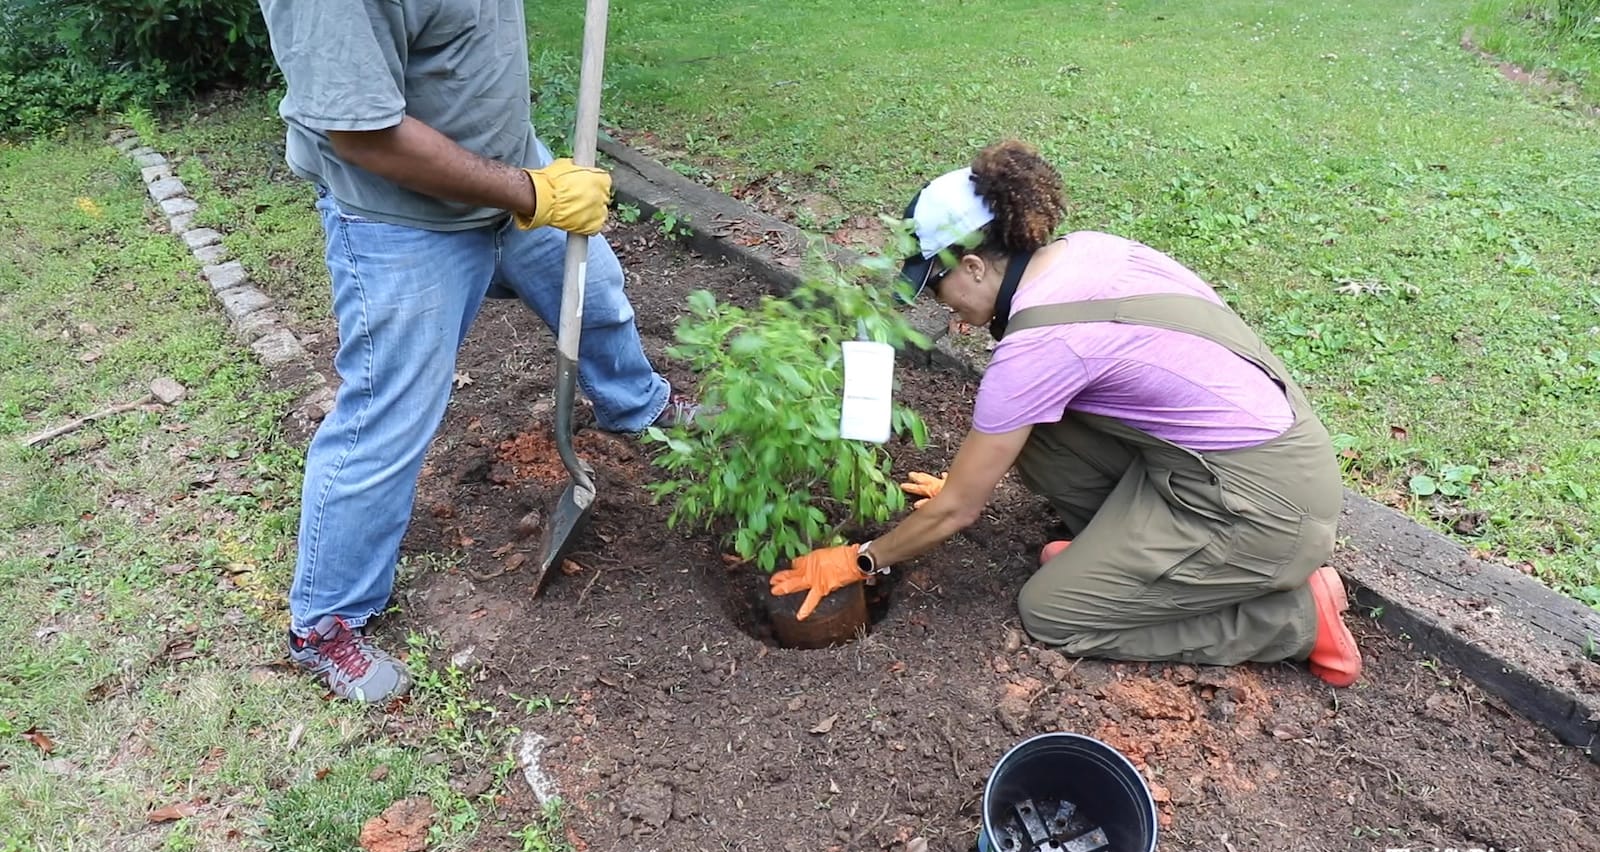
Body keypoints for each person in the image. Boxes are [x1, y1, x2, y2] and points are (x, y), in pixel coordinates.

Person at [770, 140, 1361, 687]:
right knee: (1036, 432)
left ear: (974, 266)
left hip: (1263, 511)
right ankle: (1122, 567)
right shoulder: (1088, 252)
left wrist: (861, 559)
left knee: (1052, 614)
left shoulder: (1039, 348)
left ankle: (1296, 617)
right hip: (1257, 460)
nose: (939, 304)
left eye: (935, 285)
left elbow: (959, 511)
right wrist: (958, 483)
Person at [259, 0, 690, 702]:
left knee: (598, 297)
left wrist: (528, 184)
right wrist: (532, 193)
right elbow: (363, 135)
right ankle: (326, 620)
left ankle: (637, 408)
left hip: (515, 170)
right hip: (400, 220)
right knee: (390, 412)